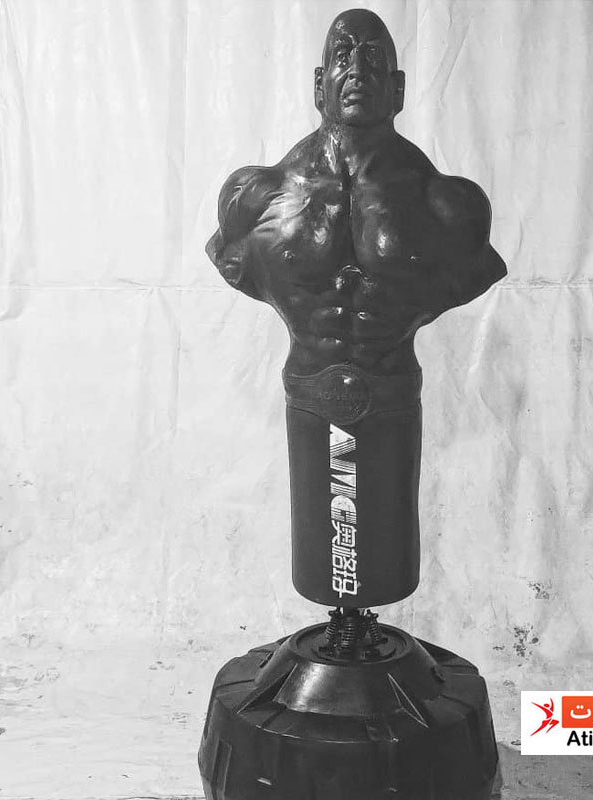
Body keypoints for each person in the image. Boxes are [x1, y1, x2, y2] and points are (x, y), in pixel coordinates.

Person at [206, 8, 506, 607]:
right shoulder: (258, 196)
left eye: (373, 57)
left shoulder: (447, 205)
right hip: (308, 392)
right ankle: (338, 629)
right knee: (322, 559)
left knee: (385, 560)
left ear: (398, 88)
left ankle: (366, 636)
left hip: (391, 394)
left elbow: (468, 272)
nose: (357, 70)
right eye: (343, 56)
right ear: (320, 84)